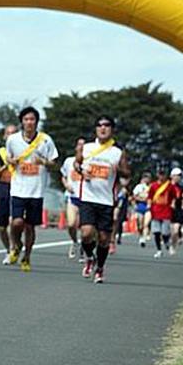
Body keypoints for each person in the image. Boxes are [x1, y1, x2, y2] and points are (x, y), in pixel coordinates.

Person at [76, 115, 130, 283]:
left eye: (106, 125)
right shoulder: (87, 148)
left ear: (111, 129)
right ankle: (89, 257)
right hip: (87, 197)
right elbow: (76, 164)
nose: (103, 128)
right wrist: (80, 171)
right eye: (99, 125)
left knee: (104, 238)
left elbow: (127, 173)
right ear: (96, 129)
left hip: (106, 200)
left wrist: (119, 170)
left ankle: (100, 267)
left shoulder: (117, 152)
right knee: (86, 233)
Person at [6, 106, 58, 272]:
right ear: (21, 121)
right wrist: (12, 161)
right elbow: (8, 158)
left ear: (36, 122)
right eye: (26, 119)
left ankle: (27, 256)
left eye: (32, 119)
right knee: (16, 222)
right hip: (18, 188)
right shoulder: (13, 139)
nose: (29, 122)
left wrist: (44, 162)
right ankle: (16, 245)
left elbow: (54, 163)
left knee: (30, 226)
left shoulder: (46, 140)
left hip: (36, 190)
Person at [0, 124, 19, 264]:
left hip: (19, 188)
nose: (10, 136)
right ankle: (8, 249)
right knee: (2, 226)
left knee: (13, 221)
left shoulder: (24, 152)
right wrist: (5, 165)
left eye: (13, 133)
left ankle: (15, 248)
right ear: (4, 136)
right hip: (4, 187)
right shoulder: (0, 152)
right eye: (8, 133)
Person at [60, 137, 87, 260]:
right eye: (79, 145)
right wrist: (66, 185)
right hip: (72, 197)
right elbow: (64, 176)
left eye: (84, 145)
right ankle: (75, 242)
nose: (81, 147)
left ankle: (83, 247)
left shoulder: (90, 162)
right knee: (71, 224)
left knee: (84, 227)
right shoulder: (69, 161)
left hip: (86, 198)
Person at [147, 168, 181, 258]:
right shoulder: (153, 186)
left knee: (165, 232)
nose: (161, 176)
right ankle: (159, 250)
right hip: (155, 211)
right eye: (160, 174)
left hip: (166, 212)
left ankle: (167, 244)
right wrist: (149, 206)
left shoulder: (169, 186)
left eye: (163, 174)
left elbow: (174, 196)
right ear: (158, 175)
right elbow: (150, 197)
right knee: (156, 232)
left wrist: (173, 204)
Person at [132, 172, 152, 248]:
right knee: (140, 225)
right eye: (145, 177)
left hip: (148, 208)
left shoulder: (152, 187)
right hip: (140, 206)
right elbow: (134, 196)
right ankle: (141, 236)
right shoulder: (139, 187)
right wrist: (141, 199)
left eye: (148, 178)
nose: (147, 179)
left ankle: (143, 239)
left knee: (146, 224)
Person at [170, 167, 183, 250]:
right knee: (168, 230)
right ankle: (167, 241)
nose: (178, 177)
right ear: (172, 176)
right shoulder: (167, 186)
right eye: (176, 175)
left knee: (176, 230)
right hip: (167, 210)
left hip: (177, 210)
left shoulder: (182, 186)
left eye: (179, 176)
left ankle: (173, 246)